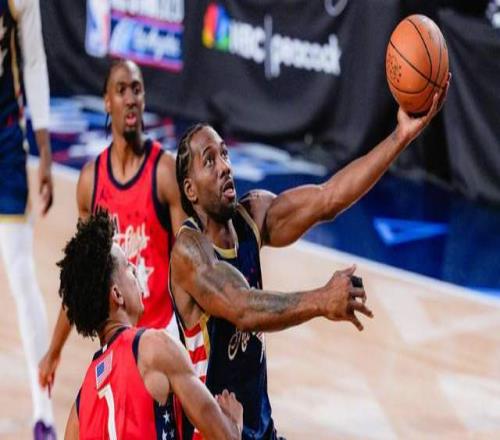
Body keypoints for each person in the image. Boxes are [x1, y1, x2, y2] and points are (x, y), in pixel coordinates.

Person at [170, 80, 450, 439]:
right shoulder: (189, 252)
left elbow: (328, 198)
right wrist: (320, 300)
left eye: (224, 154)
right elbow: (242, 307)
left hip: (260, 430)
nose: (224, 166)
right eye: (209, 161)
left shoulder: (252, 216)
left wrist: (401, 136)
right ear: (190, 189)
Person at [38, 59, 186, 391]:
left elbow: (192, 265)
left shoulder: (165, 172)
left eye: (137, 89)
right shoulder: (91, 182)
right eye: (121, 90)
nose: (130, 98)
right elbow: (82, 275)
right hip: (119, 343)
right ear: (107, 101)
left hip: (165, 334)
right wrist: (54, 350)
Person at [59, 211, 242, 439]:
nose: (135, 270)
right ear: (117, 294)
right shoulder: (154, 348)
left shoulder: (78, 411)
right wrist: (234, 423)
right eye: (128, 267)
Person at [0, 0, 55, 437]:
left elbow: (33, 60)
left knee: (20, 273)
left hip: (4, 141)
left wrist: (45, 151)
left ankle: (43, 414)